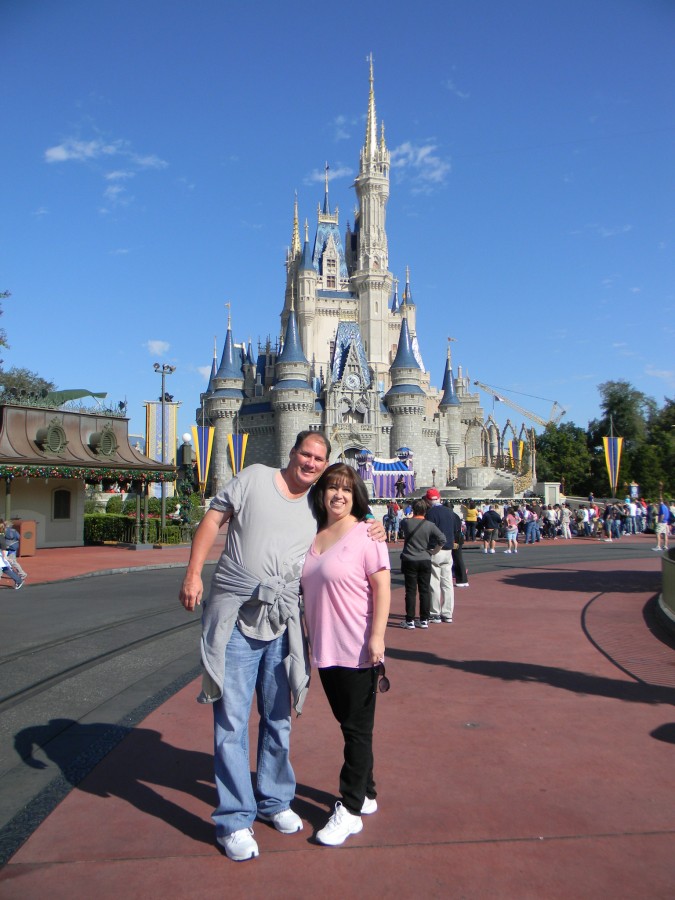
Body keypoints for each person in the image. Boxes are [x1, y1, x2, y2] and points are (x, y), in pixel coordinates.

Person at [178, 430, 384, 862]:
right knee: (231, 720)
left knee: (277, 717)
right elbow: (214, 518)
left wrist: (375, 523)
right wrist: (194, 573)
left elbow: (349, 521)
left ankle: (273, 800)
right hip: (237, 614)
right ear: (291, 454)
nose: (310, 463)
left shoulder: (316, 506)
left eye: (318, 459)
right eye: (305, 454)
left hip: (282, 622)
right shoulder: (253, 477)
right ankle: (235, 819)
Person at [301, 464, 390, 846]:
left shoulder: (368, 534)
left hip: (357, 645)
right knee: (348, 723)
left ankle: (350, 808)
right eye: (332, 488)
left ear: (356, 496)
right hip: (324, 645)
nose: (338, 495)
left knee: (356, 729)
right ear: (321, 493)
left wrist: (378, 637)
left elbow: (383, 588)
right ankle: (367, 791)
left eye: (346, 490)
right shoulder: (313, 533)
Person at [399, 499, 445, 629]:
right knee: (424, 590)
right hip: (424, 558)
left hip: (409, 559)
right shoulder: (429, 525)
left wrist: (408, 516)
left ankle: (410, 620)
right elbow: (442, 538)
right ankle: (424, 619)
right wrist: (434, 551)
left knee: (410, 591)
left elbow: (403, 522)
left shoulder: (407, 523)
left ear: (413, 509)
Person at [424, 489, 459, 623]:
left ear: (428, 500)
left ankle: (435, 612)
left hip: (435, 548)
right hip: (448, 549)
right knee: (447, 582)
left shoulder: (430, 513)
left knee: (434, 582)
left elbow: (428, 531)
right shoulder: (449, 512)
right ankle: (448, 612)